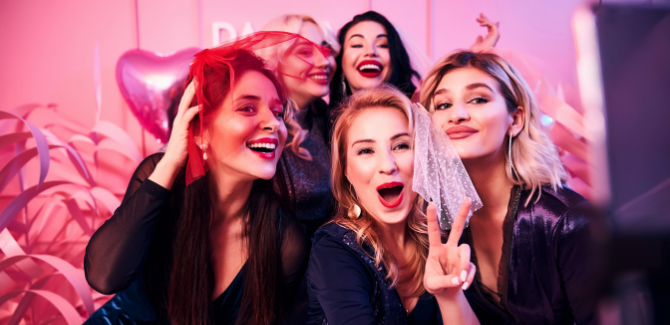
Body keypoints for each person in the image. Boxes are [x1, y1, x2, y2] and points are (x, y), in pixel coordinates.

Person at [84, 33, 314, 325]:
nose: (273, 123)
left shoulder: (286, 240)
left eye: (278, 112)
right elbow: (104, 277)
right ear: (200, 130)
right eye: (247, 108)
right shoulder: (158, 177)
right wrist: (172, 160)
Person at [419, 51, 597, 324]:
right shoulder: (442, 222)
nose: (457, 114)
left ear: (515, 120)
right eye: (442, 105)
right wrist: (448, 296)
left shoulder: (567, 220)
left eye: (478, 99)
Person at [307, 85, 481, 325]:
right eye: (366, 150)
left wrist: (450, 296)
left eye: (400, 146)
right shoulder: (334, 249)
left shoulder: (444, 242)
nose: (387, 165)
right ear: (346, 171)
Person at [261, 15, 339, 234]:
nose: (324, 62)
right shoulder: (258, 127)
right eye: (305, 52)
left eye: (325, 50)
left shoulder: (331, 120)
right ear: (273, 61)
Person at [328, 11, 500, 109]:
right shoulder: (321, 122)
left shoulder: (418, 108)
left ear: (395, 59)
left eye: (383, 45)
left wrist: (477, 53)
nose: (370, 52)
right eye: (357, 45)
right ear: (340, 61)